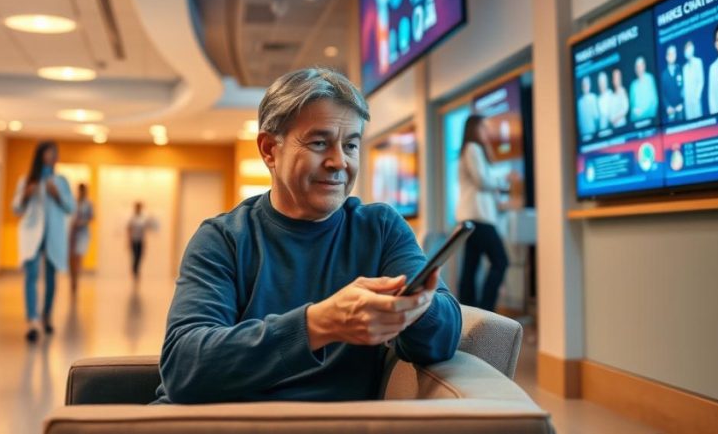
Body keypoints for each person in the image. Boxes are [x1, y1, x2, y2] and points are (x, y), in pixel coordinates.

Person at [156, 68, 460, 404]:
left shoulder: (380, 228)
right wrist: (318, 325)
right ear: (270, 149)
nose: (339, 162)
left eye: (351, 145)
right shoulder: (223, 238)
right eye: (319, 143)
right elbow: (184, 368)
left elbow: (442, 340)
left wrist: (415, 306)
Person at [12, 141, 74, 342]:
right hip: (32, 233)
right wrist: (25, 196)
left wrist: (57, 195)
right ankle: (32, 320)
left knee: (50, 278)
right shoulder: (27, 180)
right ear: (40, 157)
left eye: (54, 154)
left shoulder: (61, 181)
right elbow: (16, 209)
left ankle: (46, 314)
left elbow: (70, 207)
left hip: (53, 235)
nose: (51, 158)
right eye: (47, 154)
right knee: (31, 275)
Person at [455, 115, 515, 312]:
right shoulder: (473, 148)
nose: (486, 132)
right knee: (501, 261)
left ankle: (468, 313)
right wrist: (502, 180)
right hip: (478, 217)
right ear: (474, 129)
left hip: (471, 217)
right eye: (483, 128)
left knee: (470, 268)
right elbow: (482, 180)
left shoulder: (471, 150)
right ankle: (485, 310)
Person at [69, 183, 94, 295]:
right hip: (72, 233)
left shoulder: (89, 204)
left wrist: (81, 222)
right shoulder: (73, 201)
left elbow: (91, 217)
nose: (81, 192)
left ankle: (76, 280)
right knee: (71, 258)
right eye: (80, 190)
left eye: (83, 191)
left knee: (78, 257)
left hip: (83, 233)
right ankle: (72, 278)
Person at [127, 202, 153, 280]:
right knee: (134, 256)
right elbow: (129, 229)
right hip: (134, 240)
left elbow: (145, 230)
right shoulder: (132, 218)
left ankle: (137, 270)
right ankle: (134, 270)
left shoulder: (143, 218)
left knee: (140, 256)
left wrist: (145, 241)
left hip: (140, 240)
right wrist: (129, 240)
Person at [628, 56, 658, 121]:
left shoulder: (650, 79)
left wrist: (643, 113)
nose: (639, 69)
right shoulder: (633, 85)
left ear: (644, 66)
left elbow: (654, 102)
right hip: (636, 122)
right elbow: (632, 106)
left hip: (649, 120)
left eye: (640, 66)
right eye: (637, 67)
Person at [660, 45, 685, 123]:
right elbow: (662, 94)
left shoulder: (680, 70)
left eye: (673, 53)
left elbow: (685, 89)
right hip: (670, 111)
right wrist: (667, 107)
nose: (672, 56)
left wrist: (682, 104)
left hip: (680, 109)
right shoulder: (663, 75)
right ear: (666, 57)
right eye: (669, 54)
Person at [682, 40, 705, 120]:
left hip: (696, 100)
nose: (687, 50)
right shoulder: (684, 68)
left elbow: (701, 81)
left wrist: (696, 97)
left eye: (689, 47)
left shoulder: (698, 62)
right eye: (686, 49)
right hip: (687, 102)